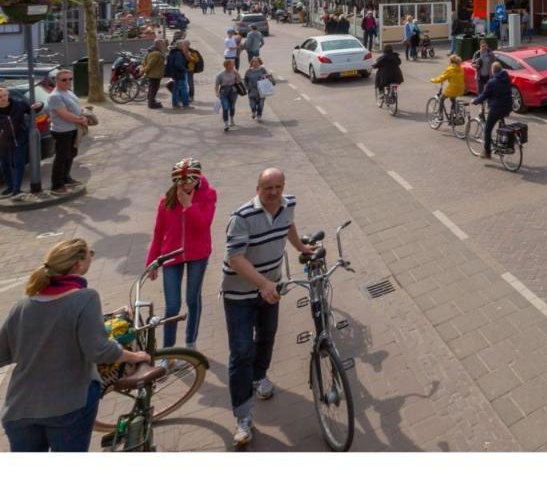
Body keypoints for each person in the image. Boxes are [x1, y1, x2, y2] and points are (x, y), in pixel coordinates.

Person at [1, 239, 151, 451]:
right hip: (67, 407)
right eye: (89, 255)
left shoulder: (23, 305)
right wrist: (135, 356)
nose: (92, 256)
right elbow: (100, 350)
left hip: (19, 409)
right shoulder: (85, 298)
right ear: (78, 266)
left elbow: (4, 352)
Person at [222, 168, 315, 447]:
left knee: (266, 337)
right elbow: (236, 258)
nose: (273, 192)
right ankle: (243, 417)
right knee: (241, 352)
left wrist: (300, 247)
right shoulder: (241, 217)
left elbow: (288, 224)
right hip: (239, 295)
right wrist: (263, 284)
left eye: (277, 186)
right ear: (257, 188)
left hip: (269, 290)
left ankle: (260, 376)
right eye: (267, 187)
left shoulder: (289, 203)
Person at [145, 159, 217, 350]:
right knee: (172, 306)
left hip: (198, 255)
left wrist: (189, 206)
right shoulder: (166, 201)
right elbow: (159, 232)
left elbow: (203, 225)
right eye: (180, 182)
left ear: (197, 179)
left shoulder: (209, 195)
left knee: (193, 299)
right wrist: (152, 261)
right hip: (171, 255)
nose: (184, 185)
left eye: (189, 181)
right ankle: (168, 349)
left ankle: (190, 343)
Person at [45, 69, 88, 194]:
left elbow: (76, 107)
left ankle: (66, 178)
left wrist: (83, 114)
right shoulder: (55, 96)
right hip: (62, 131)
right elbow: (64, 114)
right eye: (64, 79)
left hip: (73, 129)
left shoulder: (68, 92)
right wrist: (80, 120)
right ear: (56, 81)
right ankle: (57, 186)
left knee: (71, 155)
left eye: (70, 79)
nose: (68, 81)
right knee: (61, 158)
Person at [471, 62, 513, 160]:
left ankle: (487, 153)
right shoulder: (506, 78)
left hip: (497, 108)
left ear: (493, 71)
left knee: (487, 129)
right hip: (508, 106)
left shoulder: (492, 82)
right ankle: (503, 142)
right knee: (501, 120)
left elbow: (485, 95)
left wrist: (475, 101)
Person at [0, 85, 33, 197]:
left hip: (20, 138)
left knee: (18, 163)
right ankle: (10, 186)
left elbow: (32, 110)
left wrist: (40, 105)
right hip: (3, 142)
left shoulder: (19, 104)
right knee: (5, 164)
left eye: (5, 95)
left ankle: (16, 189)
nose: (3, 98)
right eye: (0, 96)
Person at [430, 54, 466, 122]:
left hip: (453, 88)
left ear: (451, 61)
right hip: (461, 88)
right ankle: (455, 113)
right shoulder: (461, 68)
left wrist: (434, 80)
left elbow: (442, 78)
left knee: (441, 98)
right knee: (453, 99)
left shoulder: (450, 68)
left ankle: (440, 115)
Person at [215, 58, 244, 132]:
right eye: (231, 64)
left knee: (232, 106)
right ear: (226, 65)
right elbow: (216, 85)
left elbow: (239, 81)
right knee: (225, 107)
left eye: (233, 64)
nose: (233, 65)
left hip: (233, 91)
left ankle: (231, 119)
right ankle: (226, 124)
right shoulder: (220, 75)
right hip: (224, 92)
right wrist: (217, 93)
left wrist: (237, 75)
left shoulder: (235, 72)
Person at [244, 56, 275, 122]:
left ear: (259, 63)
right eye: (253, 62)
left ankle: (259, 115)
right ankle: (253, 111)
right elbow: (245, 80)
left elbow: (268, 78)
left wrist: (269, 77)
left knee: (261, 104)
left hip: (261, 91)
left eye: (256, 62)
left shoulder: (262, 70)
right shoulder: (248, 71)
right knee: (252, 104)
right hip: (252, 91)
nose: (255, 63)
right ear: (251, 63)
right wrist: (247, 87)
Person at [165, 41, 191, 108]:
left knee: (175, 89)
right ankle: (186, 104)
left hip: (174, 73)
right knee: (184, 89)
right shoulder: (178, 53)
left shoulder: (173, 52)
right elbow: (178, 64)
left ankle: (175, 104)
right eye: (182, 45)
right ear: (180, 46)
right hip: (179, 73)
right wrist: (185, 69)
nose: (183, 47)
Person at [142, 38, 167, 109]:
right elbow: (150, 65)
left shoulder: (150, 51)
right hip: (155, 75)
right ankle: (151, 104)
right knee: (154, 89)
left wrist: (144, 69)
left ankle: (151, 101)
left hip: (153, 74)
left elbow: (144, 61)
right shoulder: (156, 53)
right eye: (162, 44)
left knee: (152, 88)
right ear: (159, 45)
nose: (163, 46)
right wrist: (144, 70)